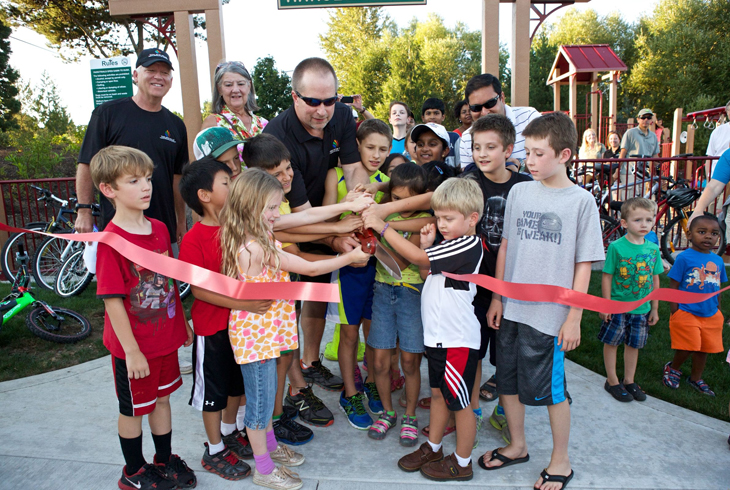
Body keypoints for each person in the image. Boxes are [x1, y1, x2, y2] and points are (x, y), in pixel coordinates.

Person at [220, 169, 370, 490]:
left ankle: (271, 448)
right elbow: (311, 267)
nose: (278, 215)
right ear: (251, 205)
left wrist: (348, 204)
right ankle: (263, 468)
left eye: (278, 207)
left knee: (266, 397)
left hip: (269, 331)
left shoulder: (259, 229)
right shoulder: (255, 248)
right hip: (256, 340)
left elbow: (310, 214)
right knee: (259, 407)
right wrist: (351, 256)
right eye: (272, 208)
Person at [481, 112, 604, 490]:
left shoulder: (581, 202)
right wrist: (498, 296)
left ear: (565, 154)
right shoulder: (519, 191)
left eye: (538, 154)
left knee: (552, 391)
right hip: (512, 308)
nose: (529, 162)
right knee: (507, 382)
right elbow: (506, 246)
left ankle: (561, 460)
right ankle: (517, 445)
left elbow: (584, 265)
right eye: (528, 153)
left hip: (549, 316)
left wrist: (574, 317)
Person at [241, 133, 374, 435]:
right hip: (258, 317)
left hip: (278, 307)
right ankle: (272, 423)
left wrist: (339, 218)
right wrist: (341, 239)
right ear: (257, 179)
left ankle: (283, 408)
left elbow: (299, 224)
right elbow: (295, 248)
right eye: (278, 174)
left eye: (289, 168)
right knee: (267, 372)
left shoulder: (270, 208)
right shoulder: (260, 219)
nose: (288, 176)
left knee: (285, 355)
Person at [263, 58, 371, 394]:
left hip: (326, 210)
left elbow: (353, 168)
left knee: (319, 290)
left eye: (330, 100)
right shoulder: (277, 135)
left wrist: (361, 209)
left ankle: (310, 363)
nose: (323, 111)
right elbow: (300, 213)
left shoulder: (342, 114)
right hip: (288, 219)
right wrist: (336, 236)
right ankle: (291, 378)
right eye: (312, 102)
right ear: (294, 96)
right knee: (291, 298)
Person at [91, 146, 196, 490]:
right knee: (134, 408)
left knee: (162, 400)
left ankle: (163, 461)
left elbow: (167, 284)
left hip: (165, 339)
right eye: (134, 180)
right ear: (109, 189)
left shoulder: (160, 229)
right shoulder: (110, 242)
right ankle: (133, 471)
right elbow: (113, 301)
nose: (146, 186)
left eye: (148, 178)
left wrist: (182, 324)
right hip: (134, 347)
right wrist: (132, 351)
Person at [365, 177, 483, 482]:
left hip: (457, 340)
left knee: (462, 403)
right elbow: (425, 271)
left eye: (448, 218)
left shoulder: (467, 244)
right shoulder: (449, 243)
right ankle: (433, 447)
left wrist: (382, 226)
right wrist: (430, 246)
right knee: (440, 395)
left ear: (472, 219)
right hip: (439, 339)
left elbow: (417, 258)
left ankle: (463, 461)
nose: (440, 224)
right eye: (439, 216)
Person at [179, 158, 273, 480]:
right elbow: (200, 291)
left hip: (240, 328)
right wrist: (242, 303)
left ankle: (231, 431)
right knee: (213, 395)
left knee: (237, 388)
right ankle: (214, 448)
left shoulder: (237, 228)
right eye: (226, 182)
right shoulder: (193, 240)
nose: (233, 187)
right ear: (205, 195)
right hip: (212, 329)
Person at [462, 114, 531, 447]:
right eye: (477, 147)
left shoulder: (526, 188)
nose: (482, 153)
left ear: (508, 149)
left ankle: (505, 410)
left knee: (508, 357)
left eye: (491, 147)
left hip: (511, 290)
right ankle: (472, 411)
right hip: (474, 288)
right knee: (473, 353)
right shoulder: (468, 182)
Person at [76, 48, 187, 246]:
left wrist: (180, 221)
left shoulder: (176, 125)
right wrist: (83, 210)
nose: (158, 77)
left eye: (164, 73)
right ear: (135, 75)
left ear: (171, 80)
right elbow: (87, 163)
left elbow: (177, 177)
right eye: (151, 70)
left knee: (163, 278)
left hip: (162, 230)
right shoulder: (107, 114)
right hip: (119, 230)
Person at [322, 119, 391, 430]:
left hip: (378, 268)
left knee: (374, 333)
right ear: (357, 146)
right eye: (370, 147)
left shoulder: (385, 181)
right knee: (348, 334)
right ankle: (350, 393)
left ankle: (373, 381)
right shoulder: (335, 176)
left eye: (383, 149)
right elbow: (325, 217)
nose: (376, 154)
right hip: (348, 268)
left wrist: (381, 187)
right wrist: (345, 206)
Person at [365, 163, 430, 446]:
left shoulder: (424, 218)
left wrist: (375, 239)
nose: (401, 207)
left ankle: (411, 416)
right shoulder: (385, 207)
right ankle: (388, 412)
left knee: (409, 361)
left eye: (407, 201)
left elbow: (403, 262)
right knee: (379, 361)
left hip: (411, 293)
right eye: (395, 199)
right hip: (382, 291)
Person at [598, 198, 662, 403]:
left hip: (641, 309)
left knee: (634, 344)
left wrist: (655, 308)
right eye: (638, 220)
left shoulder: (653, 249)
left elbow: (655, 278)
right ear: (624, 223)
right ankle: (612, 380)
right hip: (617, 307)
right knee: (612, 342)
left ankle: (629, 380)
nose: (644, 225)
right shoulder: (617, 247)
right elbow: (607, 276)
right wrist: (606, 304)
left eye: (649, 220)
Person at [663, 214, 726, 397]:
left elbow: (717, 288)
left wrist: (719, 312)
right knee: (688, 345)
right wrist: (675, 311)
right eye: (702, 232)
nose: (708, 236)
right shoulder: (684, 258)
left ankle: (696, 377)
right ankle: (673, 368)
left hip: (711, 313)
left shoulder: (718, 261)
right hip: (687, 311)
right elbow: (673, 285)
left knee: (705, 347)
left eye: (714, 233)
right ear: (689, 235)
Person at [459, 73, 540, 171]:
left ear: (502, 98)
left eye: (490, 103)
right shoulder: (467, 138)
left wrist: (520, 165)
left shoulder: (529, 118)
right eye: (476, 108)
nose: (484, 112)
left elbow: (553, 158)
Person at [201, 61, 267, 143]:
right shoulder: (213, 123)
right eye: (228, 85)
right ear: (219, 89)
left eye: (241, 84)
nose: (235, 90)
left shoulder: (263, 124)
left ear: (249, 86)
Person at [617, 108, 660, 199]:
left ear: (651, 120)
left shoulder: (653, 136)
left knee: (641, 202)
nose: (646, 120)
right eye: (643, 117)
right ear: (638, 119)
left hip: (643, 174)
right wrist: (617, 171)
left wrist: (661, 171)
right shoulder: (630, 133)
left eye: (648, 118)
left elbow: (655, 157)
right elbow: (623, 153)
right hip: (629, 172)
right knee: (630, 201)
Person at [421, 97, 460, 169]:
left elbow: (459, 165)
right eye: (428, 113)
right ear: (423, 118)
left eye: (436, 113)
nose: (432, 117)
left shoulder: (454, 137)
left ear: (443, 117)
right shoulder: (417, 136)